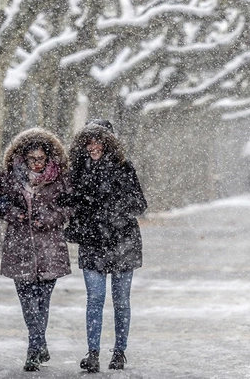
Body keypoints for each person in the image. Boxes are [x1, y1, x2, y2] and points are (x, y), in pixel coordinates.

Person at [63, 122, 147, 373]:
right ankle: (93, 353)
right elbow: (68, 202)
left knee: (121, 300)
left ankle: (119, 352)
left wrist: (113, 205)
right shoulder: (77, 169)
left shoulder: (124, 167)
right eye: (88, 142)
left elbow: (140, 204)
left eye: (98, 141)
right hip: (92, 242)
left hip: (123, 241)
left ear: (109, 142)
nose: (93, 146)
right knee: (95, 299)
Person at [0, 128, 71, 372]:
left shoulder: (59, 178)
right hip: (20, 248)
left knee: (42, 302)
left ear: (48, 158)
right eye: (32, 159)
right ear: (23, 158)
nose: (37, 163)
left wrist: (50, 218)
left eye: (41, 158)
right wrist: (14, 214)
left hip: (50, 248)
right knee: (28, 303)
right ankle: (36, 344)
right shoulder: (10, 178)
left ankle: (35, 346)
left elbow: (70, 207)